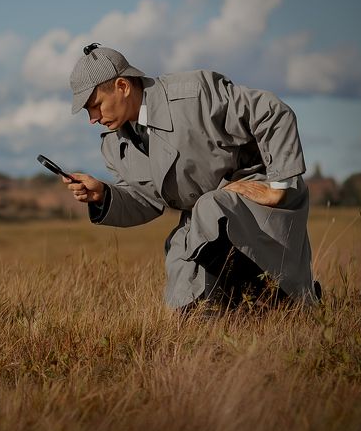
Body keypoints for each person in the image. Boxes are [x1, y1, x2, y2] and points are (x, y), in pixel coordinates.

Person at [62, 43, 319, 309]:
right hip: (205, 222)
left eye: (95, 105)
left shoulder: (194, 94)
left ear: (123, 87)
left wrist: (278, 186)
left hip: (261, 204)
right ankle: (239, 312)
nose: (92, 118)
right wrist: (103, 195)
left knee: (210, 210)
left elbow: (272, 112)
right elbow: (146, 200)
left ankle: (288, 301)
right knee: (183, 293)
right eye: (87, 111)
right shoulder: (113, 146)